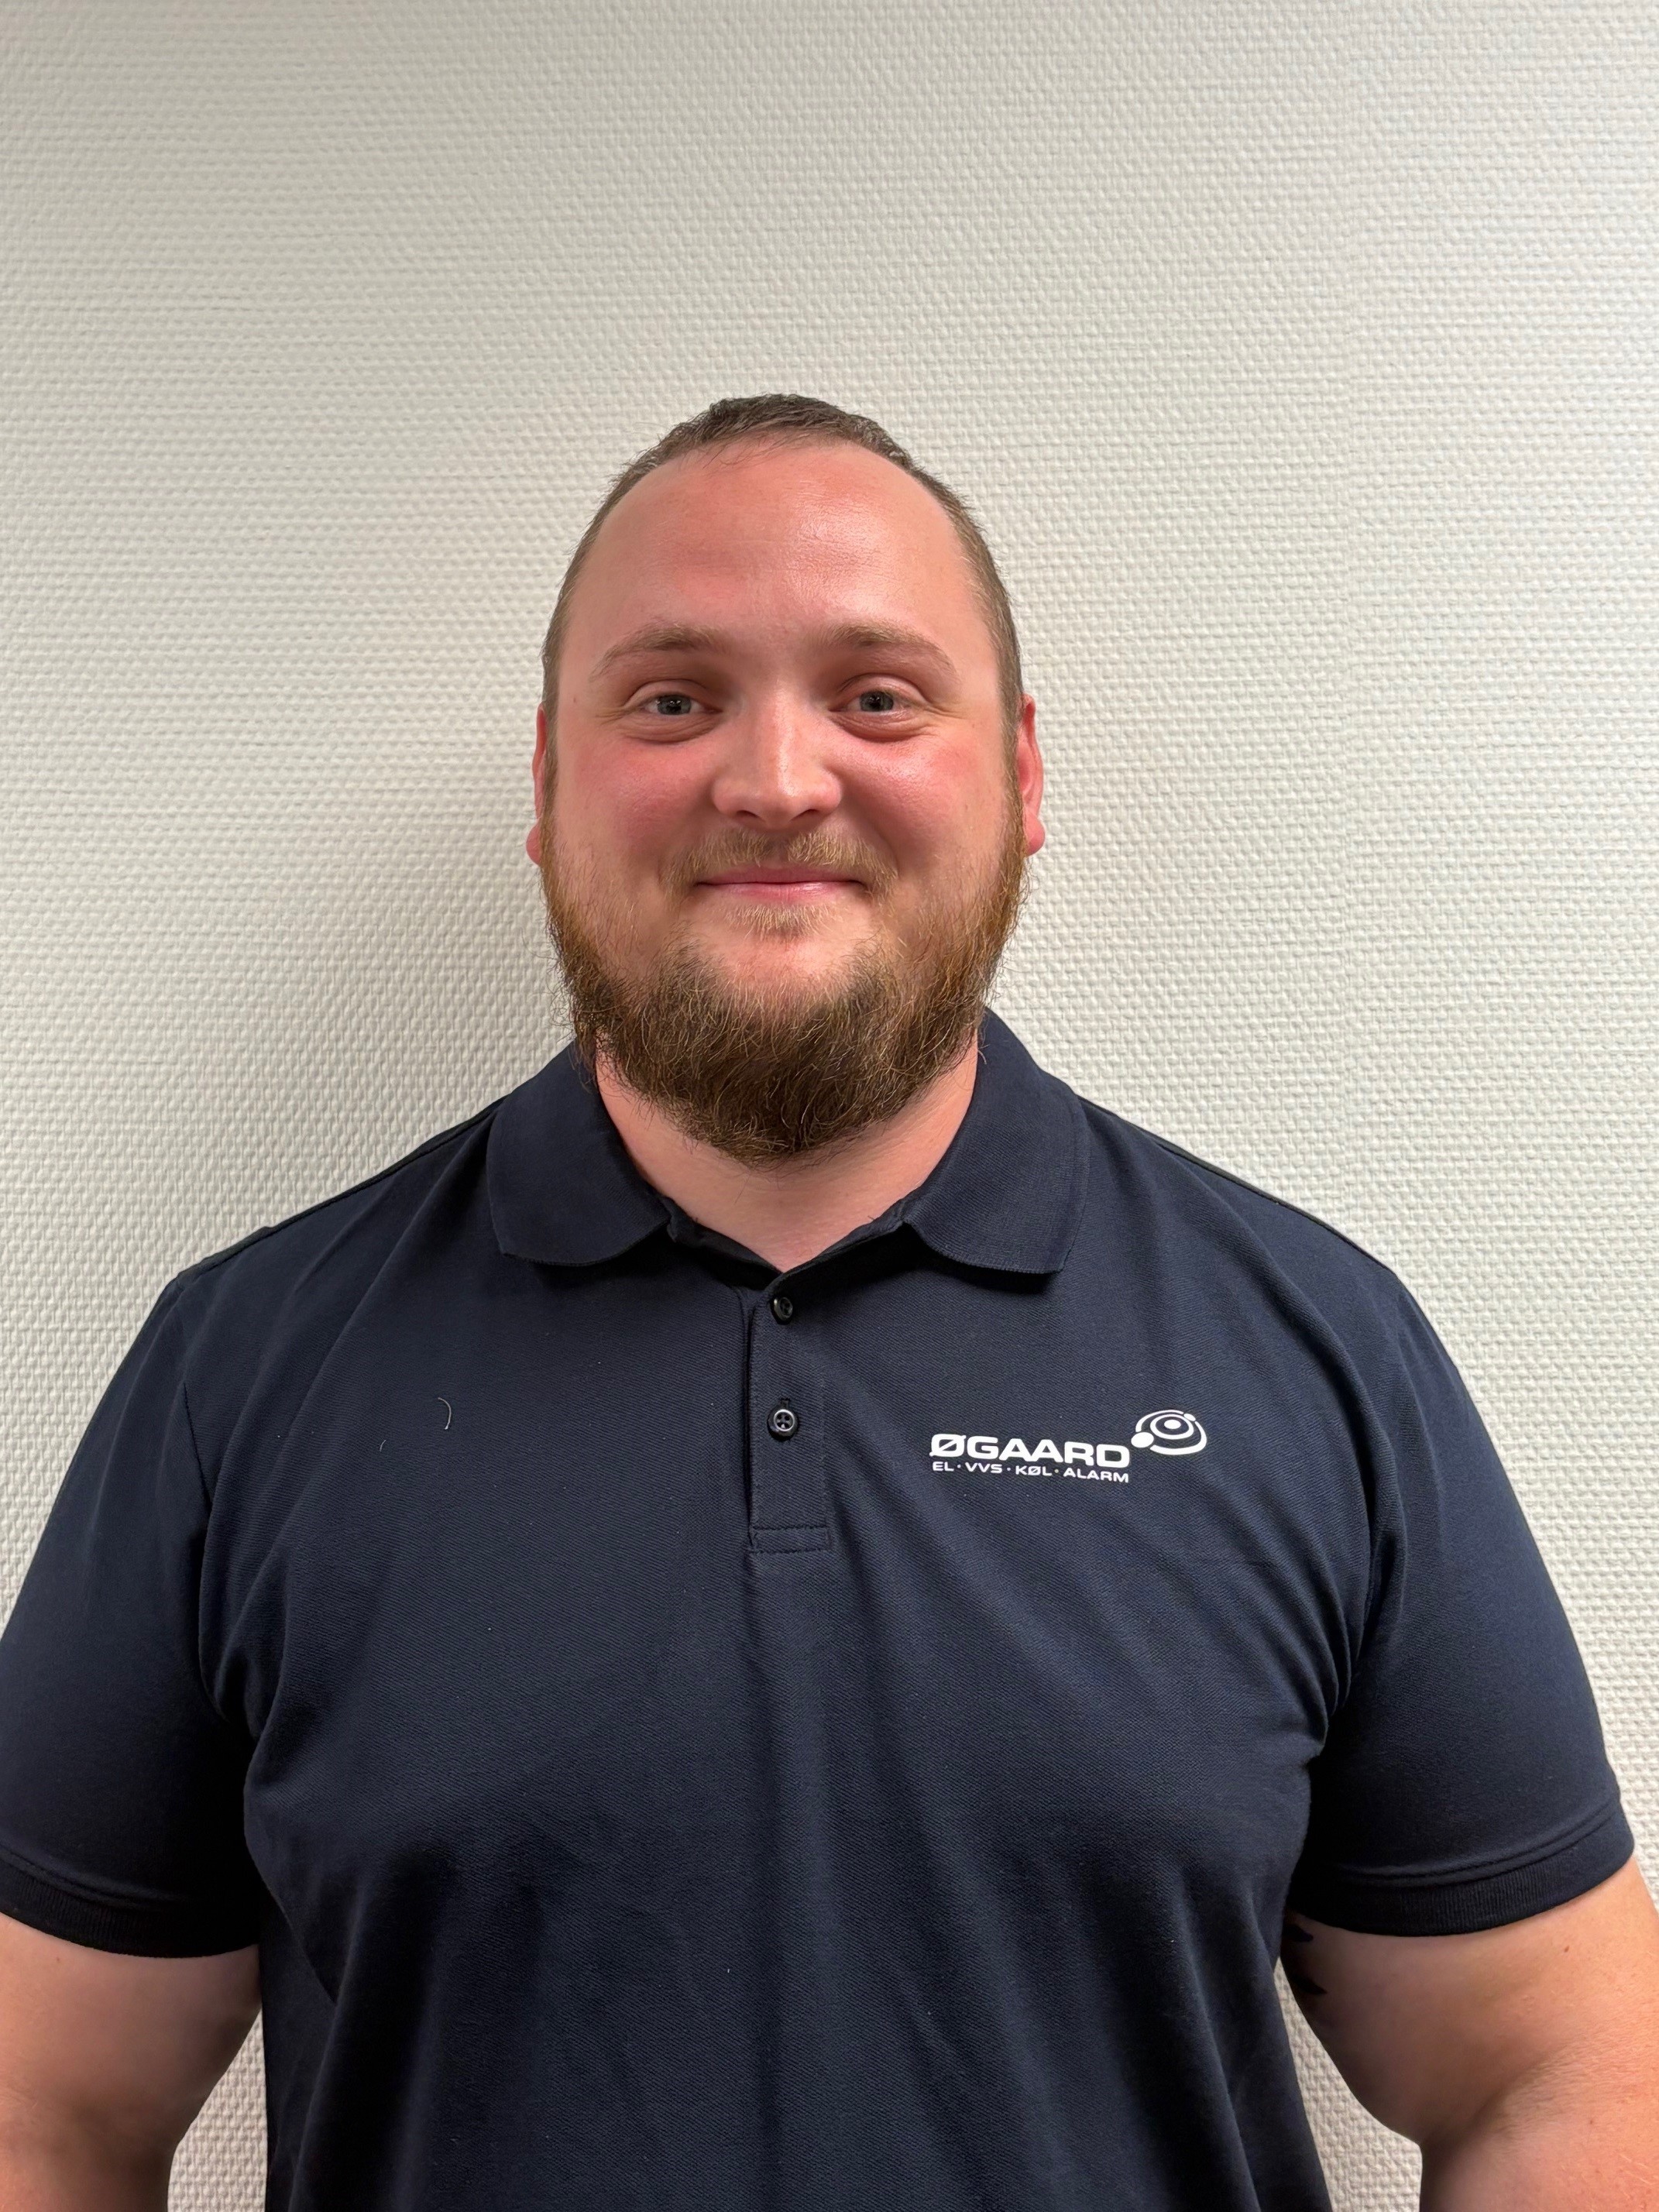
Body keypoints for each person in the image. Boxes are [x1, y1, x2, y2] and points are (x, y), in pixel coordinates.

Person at [0, 393, 1653, 2212]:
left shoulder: (1308, 1354)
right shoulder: (246, 1373)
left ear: (1020, 774)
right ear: (547, 787)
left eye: (876, 697)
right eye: (672, 700)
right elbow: (42, 2112)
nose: (776, 780)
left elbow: (1556, 2070)